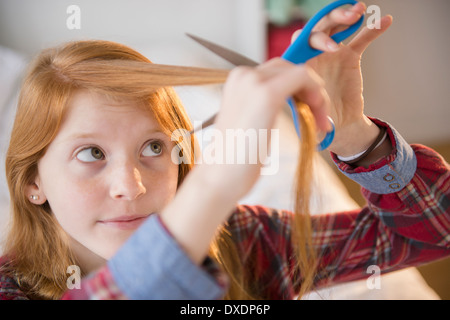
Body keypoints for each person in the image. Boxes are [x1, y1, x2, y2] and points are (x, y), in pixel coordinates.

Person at [0, 2, 449, 300]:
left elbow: (432, 232)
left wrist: (354, 136)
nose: (129, 187)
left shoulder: (248, 241)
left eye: (154, 146)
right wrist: (214, 186)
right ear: (33, 182)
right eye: (91, 154)